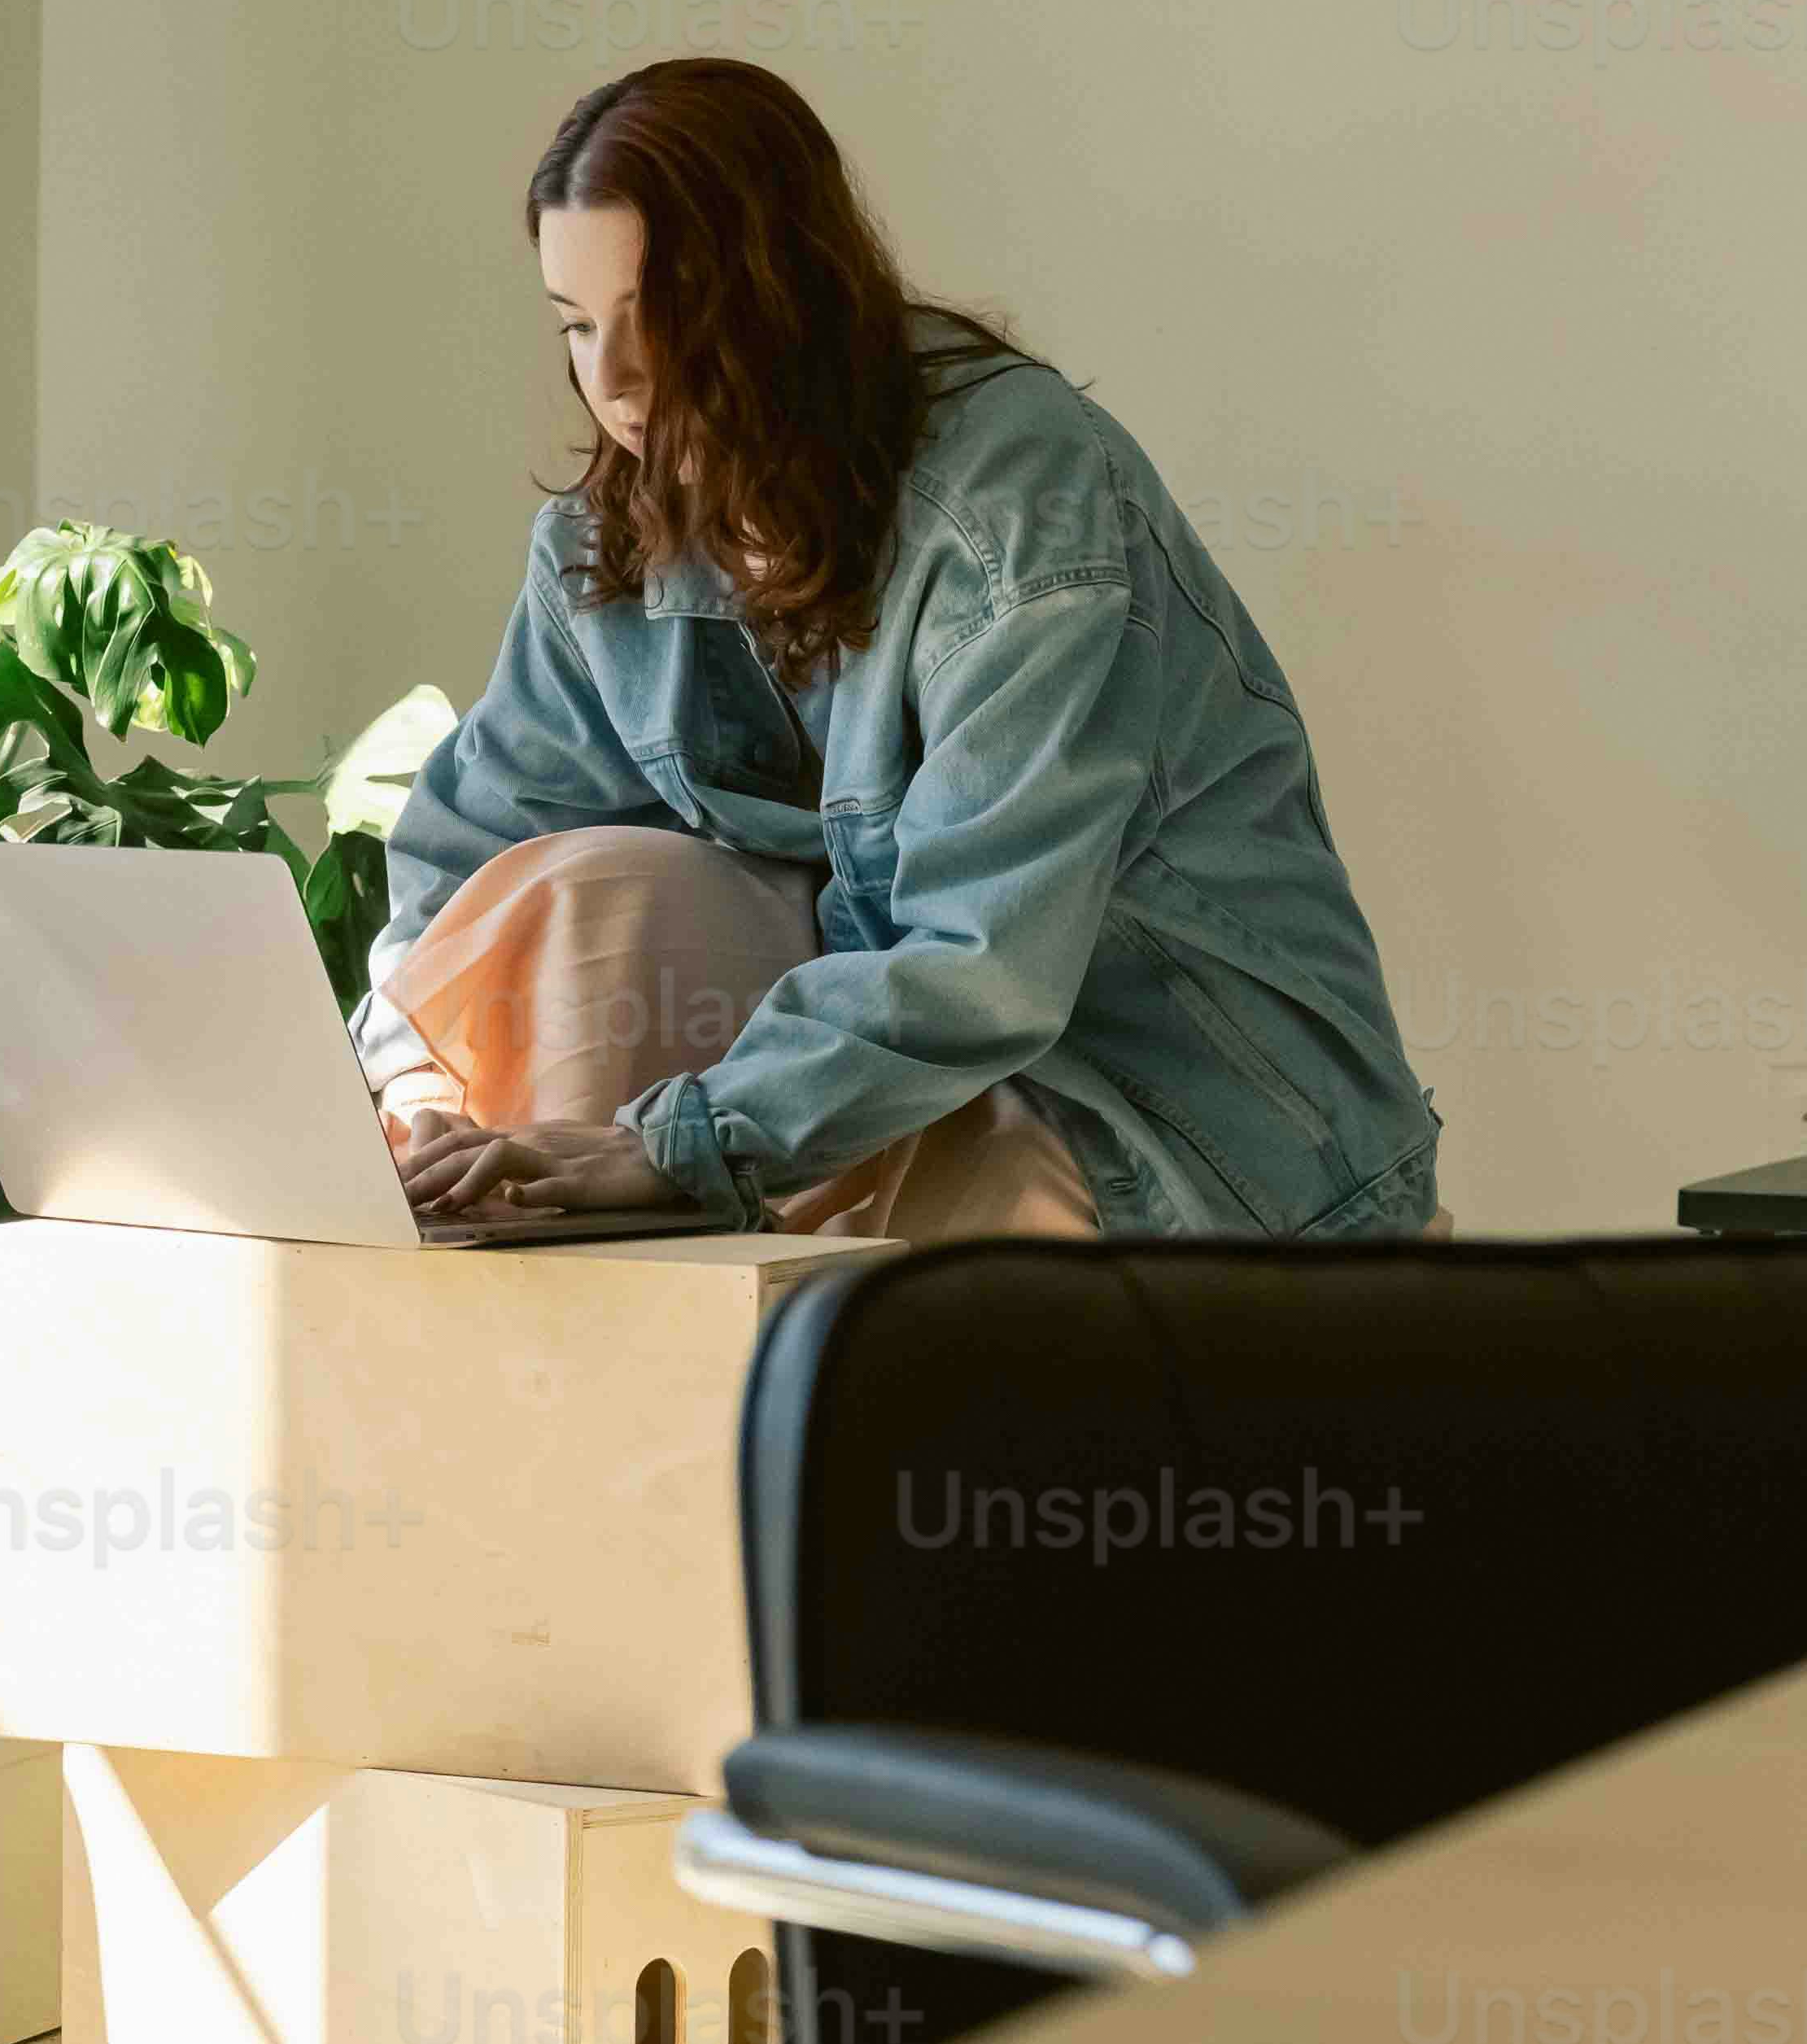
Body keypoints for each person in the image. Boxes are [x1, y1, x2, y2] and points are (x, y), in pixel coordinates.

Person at [369, 61, 1440, 1243]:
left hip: (1163, 1104)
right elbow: (465, 863)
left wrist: (678, 1146)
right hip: (877, 1079)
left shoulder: (1016, 508)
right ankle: (557, 1318)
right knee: (582, 895)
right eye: (578, 327)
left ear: (783, 297)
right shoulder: (608, 539)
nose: (613, 383)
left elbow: (986, 962)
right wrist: (415, 1103)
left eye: (655, 321)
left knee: (835, 1263)